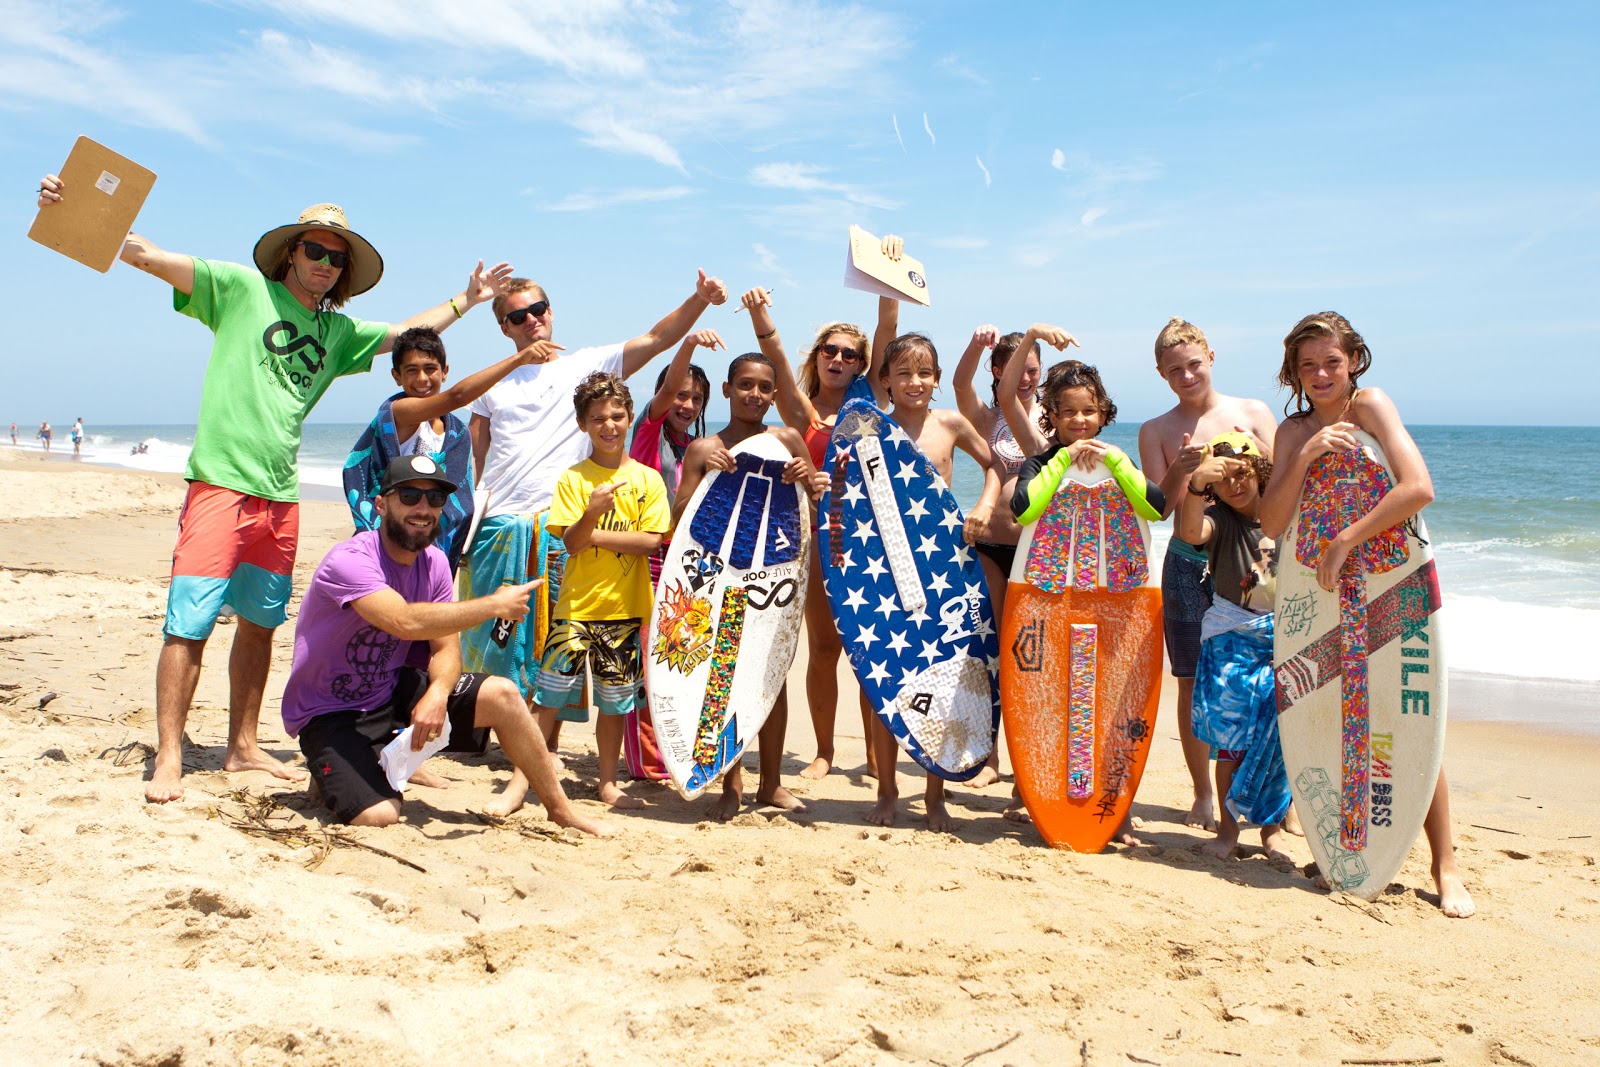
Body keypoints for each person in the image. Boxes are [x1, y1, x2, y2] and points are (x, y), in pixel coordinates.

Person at [36, 173, 512, 804]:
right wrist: (81, 209)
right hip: (218, 483)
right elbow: (149, 256)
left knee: (260, 623)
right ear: (292, 252)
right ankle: (171, 755)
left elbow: (401, 336)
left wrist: (467, 299)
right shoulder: (240, 288)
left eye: (336, 258)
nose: (324, 262)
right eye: (314, 250)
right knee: (189, 624)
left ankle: (242, 745)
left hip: (280, 493)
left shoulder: (337, 334)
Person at [1257, 311, 1473, 918]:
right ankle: (1347, 847)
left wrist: (1347, 538)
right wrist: (1305, 456)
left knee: (1409, 721)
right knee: (1332, 715)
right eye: (1308, 365)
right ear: (1293, 372)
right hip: (1322, 595)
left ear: (1353, 360)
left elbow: (1417, 487)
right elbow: (1272, 523)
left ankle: (1445, 865)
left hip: (1389, 583)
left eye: (1332, 361)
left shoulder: (1371, 405)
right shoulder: (1293, 430)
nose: (1322, 374)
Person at [460, 271, 727, 756]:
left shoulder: (584, 367)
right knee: (493, 635)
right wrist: (462, 527)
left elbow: (656, 338)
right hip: (500, 524)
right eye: (517, 316)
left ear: (551, 310)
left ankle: (542, 746)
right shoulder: (492, 383)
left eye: (537, 309)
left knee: (550, 646)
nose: (531, 320)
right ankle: (485, 732)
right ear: (504, 327)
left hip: (561, 525)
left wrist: (699, 299)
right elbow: (474, 466)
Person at [281, 454, 600, 834]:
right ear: (381, 504)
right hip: (330, 709)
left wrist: (437, 693)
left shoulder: (432, 562)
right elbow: (404, 620)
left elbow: (447, 649)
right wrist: (493, 605)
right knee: (380, 815)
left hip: (388, 692)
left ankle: (560, 809)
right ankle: (352, 761)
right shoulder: (350, 560)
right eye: (411, 495)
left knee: (503, 693)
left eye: (435, 500)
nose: (424, 509)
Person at [739, 266, 899, 781]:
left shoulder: (870, 404)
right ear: (820, 357)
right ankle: (825, 752)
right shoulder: (803, 414)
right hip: (815, 543)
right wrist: (761, 315)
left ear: (862, 365)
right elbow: (779, 362)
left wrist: (887, 277)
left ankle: (877, 755)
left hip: (869, 546)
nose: (838, 358)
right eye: (830, 350)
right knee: (824, 649)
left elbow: (889, 330)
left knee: (870, 652)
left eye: (850, 353)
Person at [486, 372, 670, 815]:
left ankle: (607, 781)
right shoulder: (574, 479)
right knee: (546, 699)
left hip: (625, 610)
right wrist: (591, 512)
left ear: (629, 417)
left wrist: (594, 533)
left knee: (615, 704)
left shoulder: (649, 479)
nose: (609, 426)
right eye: (598, 419)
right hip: (575, 609)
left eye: (617, 416)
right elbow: (569, 543)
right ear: (582, 424)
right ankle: (521, 783)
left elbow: (651, 542)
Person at [1005, 351, 1165, 844]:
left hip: (1122, 600)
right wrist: (1063, 461)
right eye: (1068, 411)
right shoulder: (1039, 461)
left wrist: (1115, 462)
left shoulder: (1120, 461)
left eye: (1088, 412)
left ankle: (1112, 806)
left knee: (1115, 697)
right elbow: (1024, 509)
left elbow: (1154, 508)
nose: (1079, 420)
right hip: (1046, 597)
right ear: (1049, 415)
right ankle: (1047, 795)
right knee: (1052, 696)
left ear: (1103, 413)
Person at [669, 351, 827, 820]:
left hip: (773, 581)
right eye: (745, 385)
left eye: (763, 388)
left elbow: (811, 515)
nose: (754, 394)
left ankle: (772, 783)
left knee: (769, 679)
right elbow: (680, 523)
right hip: (719, 581)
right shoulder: (703, 449)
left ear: (774, 395)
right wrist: (708, 478)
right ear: (727, 389)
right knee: (723, 680)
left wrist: (808, 482)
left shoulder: (787, 438)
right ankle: (731, 783)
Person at [1136, 318, 1280, 832]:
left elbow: (1285, 482)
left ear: (1211, 357)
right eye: (1175, 369)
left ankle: (1274, 798)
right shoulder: (1156, 430)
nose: (1187, 375)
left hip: (1254, 558)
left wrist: (1255, 452)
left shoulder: (1253, 412)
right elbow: (1157, 508)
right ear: (1161, 373)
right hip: (1188, 561)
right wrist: (1187, 470)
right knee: (1192, 680)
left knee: (1271, 676)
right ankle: (1202, 794)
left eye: (1194, 364)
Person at [862, 332, 1000, 831]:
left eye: (924, 373)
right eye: (903, 373)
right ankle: (887, 790)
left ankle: (934, 794)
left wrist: (984, 506)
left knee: (945, 679)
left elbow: (995, 469)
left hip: (944, 566)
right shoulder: (869, 433)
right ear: (886, 382)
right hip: (887, 567)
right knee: (885, 679)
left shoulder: (951, 424)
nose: (914, 382)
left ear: (937, 380)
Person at [343, 326, 559, 573]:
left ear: (445, 372)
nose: (422, 379)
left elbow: (461, 496)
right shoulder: (398, 413)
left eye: (430, 369)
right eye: (411, 371)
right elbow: (456, 397)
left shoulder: (455, 431)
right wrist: (519, 360)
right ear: (396, 376)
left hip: (435, 547)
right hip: (390, 542)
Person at [1177, 432, 1293, 863]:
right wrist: (1195, 484)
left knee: (1277, 741)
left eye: (1242, 474)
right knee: (1230, 743)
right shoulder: (1219, 520)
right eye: (1223, 479)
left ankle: (1271, 833)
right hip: (1232, 639)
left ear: (1260, 471)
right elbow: (1190, 530)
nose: (1235, 486)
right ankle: (1228, 831)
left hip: (1285, 637)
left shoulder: (1287, 513)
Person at [623, 329, 720, 781]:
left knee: (680, 661)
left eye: (697, 398)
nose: (687, 405)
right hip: (645, 562)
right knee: (645, 665)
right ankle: (646, 761)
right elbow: (662, 397)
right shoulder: (648, 435)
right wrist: (690, 346)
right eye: (681, 395)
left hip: (688, 569)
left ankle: (676, 751)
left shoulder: (700, 449)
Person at [952, 326, 1044, 787]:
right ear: (997, 371)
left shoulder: (1050, 418)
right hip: (989, 544)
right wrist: (976, 344)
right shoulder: (988, 418)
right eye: (1014, 370)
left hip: (1037, 550)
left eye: (1031, 369)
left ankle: (1026, 755)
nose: (1025, 378)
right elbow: (958, 384)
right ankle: (988, 758)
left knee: (1026, 656)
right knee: (988, 651)